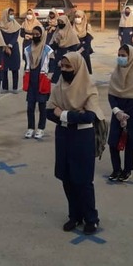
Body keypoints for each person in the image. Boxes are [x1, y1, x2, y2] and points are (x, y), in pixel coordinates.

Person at [46, 52, 104, 235]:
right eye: (62, 66)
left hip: (82, 137)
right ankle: (74, 215)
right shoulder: (59, 87)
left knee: (83, 180)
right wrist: (74, 115)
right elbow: (49, 112)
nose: (64, 70)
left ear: (77, 68)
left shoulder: (88, 87)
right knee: (67, 178)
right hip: (63, 136)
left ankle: (91, 218)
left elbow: (89, 116)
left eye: (68, 66)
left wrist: (63, 114)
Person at [107, 45, 133, 182]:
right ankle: (116, 169)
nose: (121, 58)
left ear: (131, 57)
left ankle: (127, 170)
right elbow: (111, 94)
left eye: (123, 56)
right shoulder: (116, 73)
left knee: (129, 143)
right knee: (113, 142)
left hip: (132, 112)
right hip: (117, 112)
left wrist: (125, 115)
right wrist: (117, 111)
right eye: (119, 55)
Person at [22, 26, 53, 139]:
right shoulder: (27, 49)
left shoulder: (48, 50)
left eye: (37, 34)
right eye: (33, 34)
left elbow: (52, 64)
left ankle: (41, 128)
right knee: (30, 106)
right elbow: (26, 63)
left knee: (42, 106)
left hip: (42, 80)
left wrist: (49, 77)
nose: (35, 36)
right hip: (31, 81)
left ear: (42, 35)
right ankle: (30, 128)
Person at [49, 15, 80, 83]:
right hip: (58, 56)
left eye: (62, 22)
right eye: (59, 22)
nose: (60, 23)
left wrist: (66, 58)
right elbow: (52, 46)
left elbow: (74, 48)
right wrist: (56, 41)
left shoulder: (72, 33)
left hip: (67, 57)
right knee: (56, 77)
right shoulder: (57, 32)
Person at [0, 8, 22, 94]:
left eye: (13, 14)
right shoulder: (0, 26)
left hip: (14, 48)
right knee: (4, 69)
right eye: (10, 14)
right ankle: (5, 87)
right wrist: (5, 47)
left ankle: (15, 87)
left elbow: (15, 37)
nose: (12, 16)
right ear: (6, 15)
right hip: (3, 48)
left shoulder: (16, 25)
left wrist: (9, 46)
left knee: (15, 68)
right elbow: (0, 37)